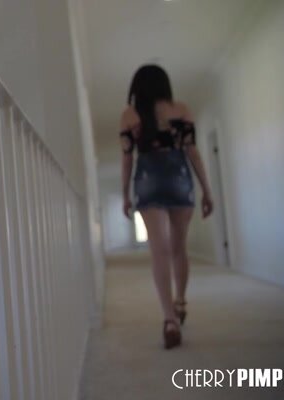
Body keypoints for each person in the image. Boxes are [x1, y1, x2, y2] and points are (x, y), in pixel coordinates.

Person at [119, 65, 214, 349]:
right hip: (179, 178)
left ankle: (169, 319)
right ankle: (180, 302)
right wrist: (207, 190)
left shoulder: (129, 115)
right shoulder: (181, 109)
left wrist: (125, 194)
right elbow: (192, 152)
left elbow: (127, 158)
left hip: (148, 179)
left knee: (158, 251)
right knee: (178, 247)